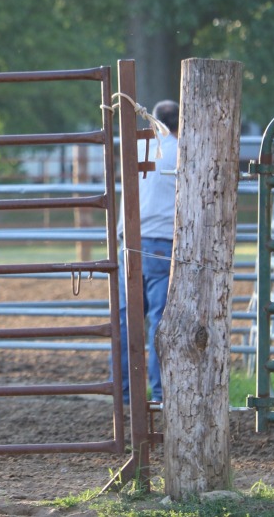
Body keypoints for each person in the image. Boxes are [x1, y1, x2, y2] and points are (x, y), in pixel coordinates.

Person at [112, 100, 178, 405]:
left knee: (129, 320)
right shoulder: (182, 152)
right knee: (160, 320)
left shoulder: (139, 150)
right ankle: (161, 393)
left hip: (131, 242)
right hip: (163, 244)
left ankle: (125, 392)